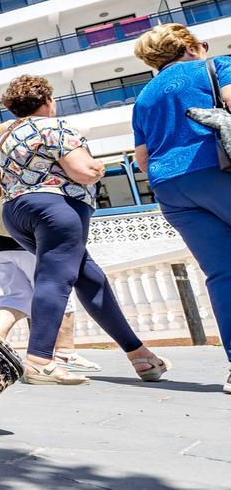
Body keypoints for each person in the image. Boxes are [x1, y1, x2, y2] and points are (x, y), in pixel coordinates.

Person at [0, 75, 170, 385]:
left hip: (15, 212)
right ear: (47, 101)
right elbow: (84, 171)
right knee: (54, 278)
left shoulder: (3, 138)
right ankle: (38, 360)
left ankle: (140, 355)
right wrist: (99, 168)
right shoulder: (55, 128)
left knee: (90, 279)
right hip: (57, 207)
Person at [131, 23, 231, 394]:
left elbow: (142, 158)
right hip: (217, 168)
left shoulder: (144, 98)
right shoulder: (216, 66)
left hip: (171, 186)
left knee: (223, 274)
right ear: (189, 47)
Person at [0, 121, 100, 373]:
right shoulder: (13, 163)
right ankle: (64, 352)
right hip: (15, 231)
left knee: (13, 295)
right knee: (55, 286)